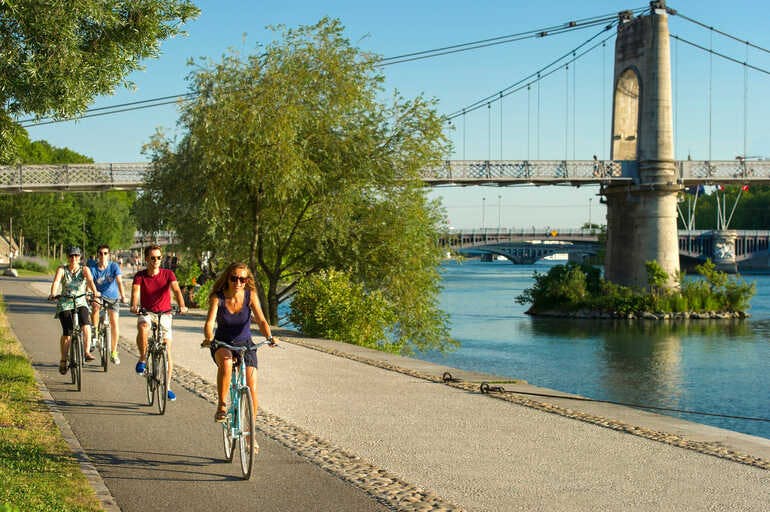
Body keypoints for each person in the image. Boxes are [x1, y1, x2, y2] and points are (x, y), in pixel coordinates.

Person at [202, 262, 278, 436]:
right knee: (227, 363)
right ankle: (221, 405)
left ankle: (251, 434)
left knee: (252, 388)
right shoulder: (218, 298)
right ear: (228, 279)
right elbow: (209, 323)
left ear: (247, 280)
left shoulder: (250, 296)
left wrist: (269, 337)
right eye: (234, 278)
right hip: (222, 343)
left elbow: (262, 321)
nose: (238, 282)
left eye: (242, 279)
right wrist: (209, 338)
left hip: (246, 344)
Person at [130, 245, 188, 401]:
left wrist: (182, 305)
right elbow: (135, 292)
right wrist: (134, 305)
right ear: (147, 259)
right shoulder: (140, 276)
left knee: (167, 349)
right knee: (143, 326)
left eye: (159, 257)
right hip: (147, 312)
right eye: (153, 258)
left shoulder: (168, 274)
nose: (156, 261)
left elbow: (176, 290)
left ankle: (167, 386)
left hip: (165, 314)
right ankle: (142, 358)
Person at [48, 246, 100, 375]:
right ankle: (63, 360)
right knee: (67, 332)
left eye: (76, 256)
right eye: (71, 256)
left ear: (80, 257)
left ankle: (86, 352)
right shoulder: (62, 269)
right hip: (65, 302)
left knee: (86, 324)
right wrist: (53, 293)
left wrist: (95, 292)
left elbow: (90, 281)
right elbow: (56, 282)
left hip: (80, 301)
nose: (73, 258)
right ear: (68, 257)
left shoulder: (84, 269)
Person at [88, 244, 127, 364]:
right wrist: (90, 292)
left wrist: (123, 296)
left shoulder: (114, 266)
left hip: (113, 298)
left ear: (109, 255)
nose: (103, 255)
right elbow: (89, 281)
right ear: (97, 255)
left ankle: (114, 352)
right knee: (95, 306)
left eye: (105, 253)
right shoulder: (92, 267)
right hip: (98, 295)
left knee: (114, 323)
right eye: (100, 253)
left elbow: (119, 282)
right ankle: (94, 334)